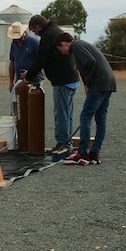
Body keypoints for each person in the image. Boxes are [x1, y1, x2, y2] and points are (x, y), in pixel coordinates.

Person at [55, 32, 117, 165]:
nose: (61, 52)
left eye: (60, 48)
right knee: (101, 118)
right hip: (108, 82)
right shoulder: (82, 45)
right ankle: (94, 153)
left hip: (99, 83)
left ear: (64, 43)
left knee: (85, 116)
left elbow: (90, 62)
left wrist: (88, 83)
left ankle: (82, 154)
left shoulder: (76, 46)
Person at [24, 14, 80, 154]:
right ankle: (68, 142)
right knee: (68, 113)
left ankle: (63, 144)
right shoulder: (56, 30)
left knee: (61, 114)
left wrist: (28, 77)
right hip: (72, 78)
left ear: (38, 27)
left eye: (34, 31)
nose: (35, 34)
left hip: (62, 80)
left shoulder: (48, 35)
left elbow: (41, 58)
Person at [7, 21, 43, 118]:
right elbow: (12, 62)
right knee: (16, 107)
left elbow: (40, 62)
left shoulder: (34, 43)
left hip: (34, 80)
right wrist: (11, 82)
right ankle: (16, 129)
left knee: (32, 107)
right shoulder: (14, 44)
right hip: (19, 80)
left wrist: (30, 73)